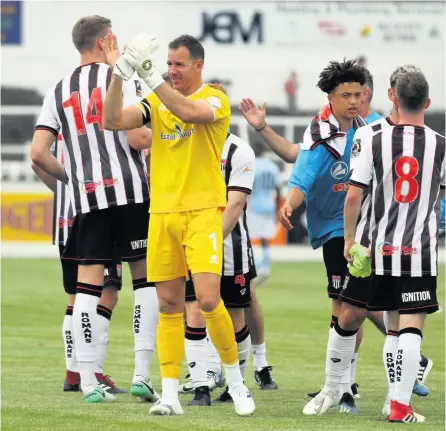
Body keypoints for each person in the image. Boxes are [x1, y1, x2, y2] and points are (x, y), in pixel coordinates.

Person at [102, 33, 255, 416]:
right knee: (169, 304)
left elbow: (189, 113)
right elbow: (111, 120)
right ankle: (169, 393)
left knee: (207, 299)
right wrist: (119, 73)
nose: (171, 70)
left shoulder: (215, 99)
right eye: (167, 63)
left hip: (203, 211)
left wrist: (150, 74)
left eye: (179, 64)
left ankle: (236, 384)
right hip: (162, 214)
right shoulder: (156, 99)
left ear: (198, 65)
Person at [30, 16, 158, 404]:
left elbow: (38, 153)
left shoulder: (58, 89)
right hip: (131, 193)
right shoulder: (121, 78)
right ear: (107, 41)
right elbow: (137, 137)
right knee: (144, 282)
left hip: (87, 200)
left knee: (86, 290)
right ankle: (141, 374)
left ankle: (88, 382)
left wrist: (74, 178)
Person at [307, 70, 444, 423]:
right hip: (419, 252)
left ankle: (345, 390)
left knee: (350, 317)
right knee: (407, 326)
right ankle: (390, 401)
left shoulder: (369, 137)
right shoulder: (441, 145)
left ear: (391, 97)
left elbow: (354, 195)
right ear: (427, 103)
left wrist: (350, 240)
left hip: (373, 248)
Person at [241, 59, 367, 413]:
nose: (354, 101)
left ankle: (342, 385)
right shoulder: (321, 133)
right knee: (349, 307)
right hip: (333, 230)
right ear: (331, 97)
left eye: (358, 94)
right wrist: (290, 204)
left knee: (351, 306)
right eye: (347, 95)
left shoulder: (369, 128)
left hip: (360, 228)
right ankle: (344, 382)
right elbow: (301, 170)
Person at [32, 135, 126, 394]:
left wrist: (64, 188)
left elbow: (36, 160)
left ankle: (73, 374)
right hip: (96, 215)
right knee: (106, 295)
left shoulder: (59, 115)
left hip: (65, 220)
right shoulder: (95, 119)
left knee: (77, 297)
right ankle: (91, 371)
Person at [181, 122, 257, 406]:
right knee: (195, 314)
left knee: (235, 318)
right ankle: (201, 387)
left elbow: (235, 205)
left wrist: (210, 243)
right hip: (194, 244)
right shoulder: (186, 145)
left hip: (231, 248)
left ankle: (235, 382)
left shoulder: (240, 150)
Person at [248, 147, 281, 284]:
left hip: (255, 205)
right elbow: (278, 189)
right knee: (265, 240)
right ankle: (265, 269)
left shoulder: (252, 165)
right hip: (269, 205)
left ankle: (254, 270)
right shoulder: (272, 166)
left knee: (249, 239)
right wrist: (278, 207)